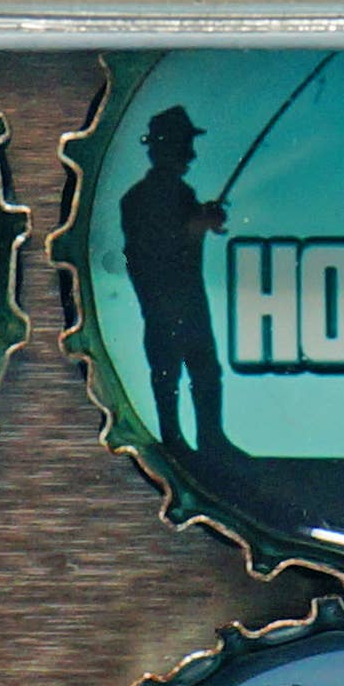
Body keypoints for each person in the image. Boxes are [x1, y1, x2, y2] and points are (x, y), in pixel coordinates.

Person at [119, 105, 229, 454]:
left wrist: (203, 218)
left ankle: (210, 439)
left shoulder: (180, 194)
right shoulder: (139, 199)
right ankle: (175, 443)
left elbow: (185, 231)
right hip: (164, 305)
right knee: (169, 373)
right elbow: (156, 249)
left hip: (188, 302)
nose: (190, 155)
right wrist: (198, 225)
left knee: (204, 369)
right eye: (184, 145)